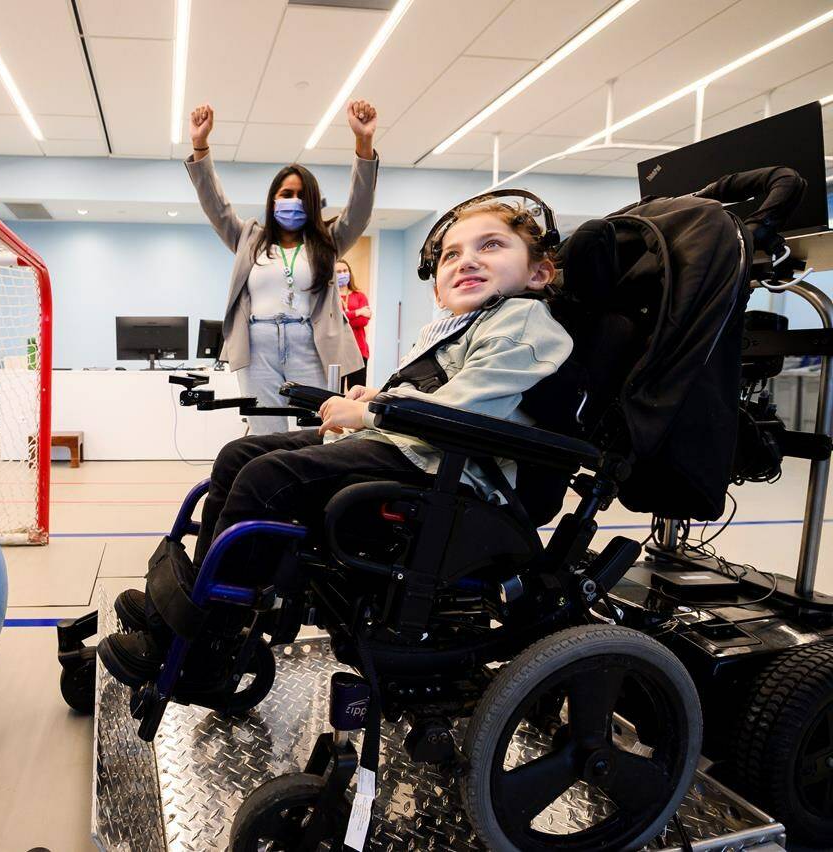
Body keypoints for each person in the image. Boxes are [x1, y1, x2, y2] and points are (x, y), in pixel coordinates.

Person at [99, 197, 574, 687]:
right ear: (436, 281)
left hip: (448, 472)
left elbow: (469, 407)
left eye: (491, 245)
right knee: (240, 454)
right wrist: (381, 397)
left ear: (539, 273)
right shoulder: (459, 326)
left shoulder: (521, 320)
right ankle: (190, 607)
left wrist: (371, 411)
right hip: (412, 449)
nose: (466, 259)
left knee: (267, 479)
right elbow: (436, 390)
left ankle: (207, 648)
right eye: (451, 254)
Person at [186, 100, 378, 434]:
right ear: (273, 199)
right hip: (257, 342)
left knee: (311, 431)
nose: (293, 200)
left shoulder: (328, 241)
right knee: (265, 432)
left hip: (310, 344)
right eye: (286, 193)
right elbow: (216, 206)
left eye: (301, 195)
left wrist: (363, 144)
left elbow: (359, 209)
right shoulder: (248, 237)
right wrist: (200, 146)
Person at [337, 259, 371, 390]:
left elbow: (363, 321)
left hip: (359, 351)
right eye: (338, 272)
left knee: (357, 393)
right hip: (337, 352)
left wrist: (345, 316)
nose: (343, 273)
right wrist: (358, 312)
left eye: (345, 270)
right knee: (335, 392)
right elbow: (335, 321)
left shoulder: (359, 296)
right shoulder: (331, 297)